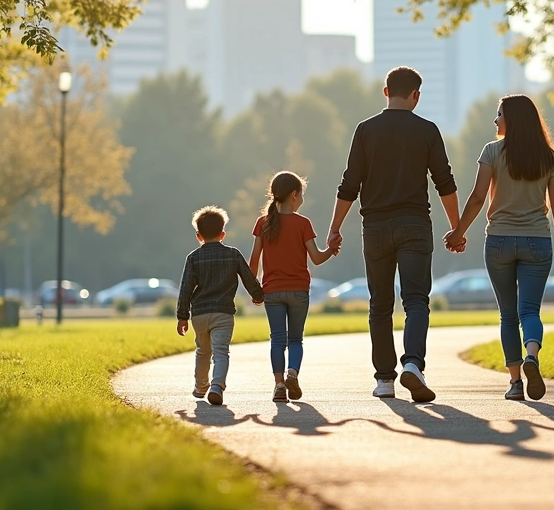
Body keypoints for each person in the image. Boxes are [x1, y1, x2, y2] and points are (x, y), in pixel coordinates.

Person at [328, 66, 461, 403]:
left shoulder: (365, 130)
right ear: (416, 96)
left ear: (385, 92)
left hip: (374, 227)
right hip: (416, 224)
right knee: (416, 300)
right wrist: (456, 228)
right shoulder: (427, 130)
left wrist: (334, 229)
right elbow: (444, 181)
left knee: (380, 304)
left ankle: (384, 379)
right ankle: (413, 364)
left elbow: (350, 184)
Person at [445, 94, 554, 401]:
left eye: (499, 114)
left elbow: (476, 198)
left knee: (507, 315)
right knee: (530, 310)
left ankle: (515, 383)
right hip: (538, 241)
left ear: (511, 119)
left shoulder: (492, 151)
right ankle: (532, 355)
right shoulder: (548, 157)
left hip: (499, 240)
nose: (495, 120)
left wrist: (458, 232)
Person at [248, 171, 341, 403]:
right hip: (299, 290)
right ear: (294, 195)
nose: (302, 200)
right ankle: (293, 373)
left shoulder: (263, 223)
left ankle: (279, 385)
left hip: (272, 291)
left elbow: (254, 259)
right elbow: (317, 258)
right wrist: (331, 249)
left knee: (277, 339)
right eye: (302, 195)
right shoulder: (303, 223)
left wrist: (254, 289)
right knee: (296, 339)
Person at [176, 206, 265, 406]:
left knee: (202, 351)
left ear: (199, 236)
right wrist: (258, 295)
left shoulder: (193, 258)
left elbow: (185, 288)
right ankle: (217, 386)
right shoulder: (233, 255)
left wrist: (182, 316)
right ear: (223, 234)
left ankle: (200, 386)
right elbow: (248, 278)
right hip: (223, 313)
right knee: (221, 351)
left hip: (199, 313)